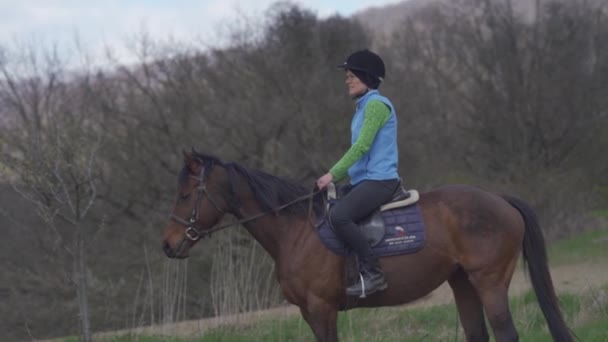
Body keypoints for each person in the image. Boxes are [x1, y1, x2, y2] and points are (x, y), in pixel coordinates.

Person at [316, 49, 401, 297]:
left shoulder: (376, 105)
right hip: (363, 180)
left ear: (367, 77)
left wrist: (332, 174)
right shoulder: (362, 107)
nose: (347, 80)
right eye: (348, 76)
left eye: (352, 75)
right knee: (328, 207)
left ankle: (374, 275)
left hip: (380, 180)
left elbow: (362, 146)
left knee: (340, 216)